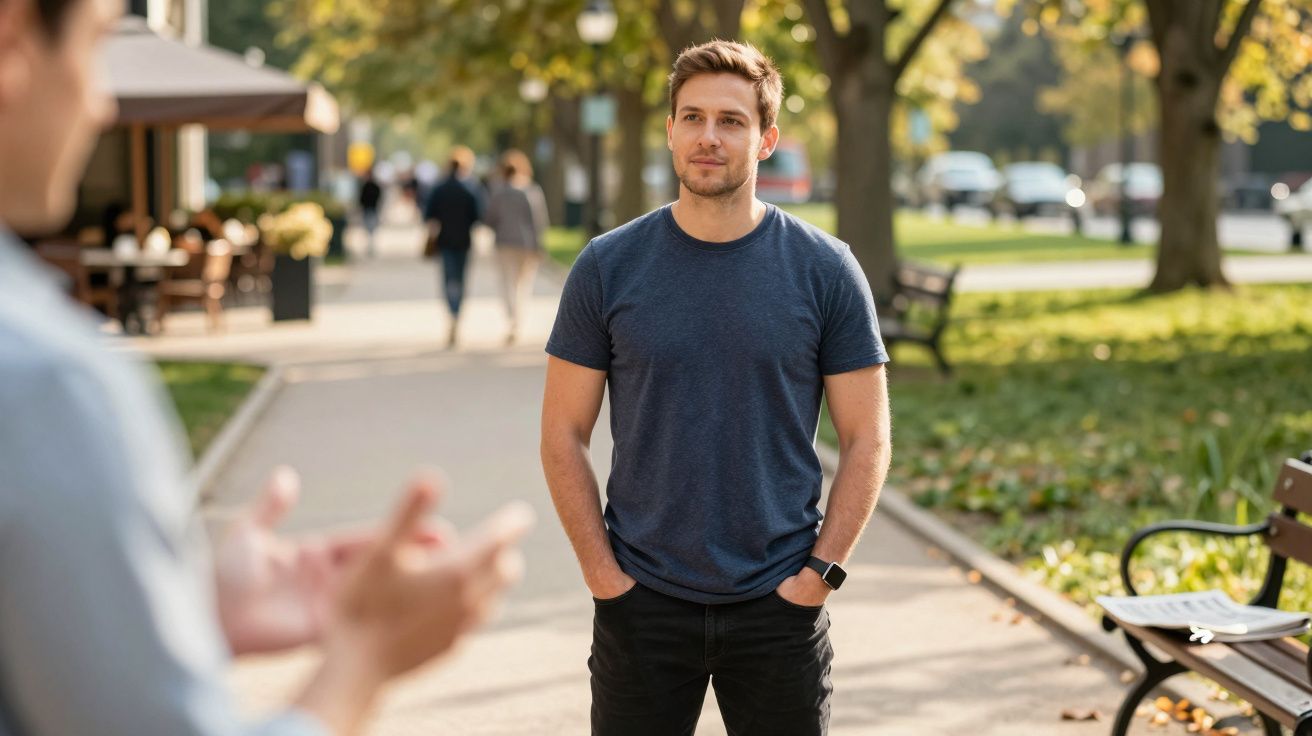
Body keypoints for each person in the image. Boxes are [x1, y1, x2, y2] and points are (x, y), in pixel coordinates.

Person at [0, 2, 533, 734]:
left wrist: (187, 616)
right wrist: (364, 657)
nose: (99, 103)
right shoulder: (47, 383)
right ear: (13, 35)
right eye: (92, 51)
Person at [540, 40, 891, 736]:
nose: (709, 136)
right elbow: (562, 436)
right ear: (669, 131)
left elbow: (868, 438)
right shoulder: (607, 267)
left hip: (780, 605)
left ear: (767, 141)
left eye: (731, 121)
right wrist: (604, 579)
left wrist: (818, 578)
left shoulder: (827, 271)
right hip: (641, 603)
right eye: (692, 117)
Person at [484, 149, 548, 345]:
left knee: (507, 283)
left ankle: (511, 318)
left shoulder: (498, 192)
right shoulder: (532, 190)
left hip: (504, 243)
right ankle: (518, 320)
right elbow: (539, 221)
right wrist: (539, 246)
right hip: (526, 244)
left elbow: (489, 219)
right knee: (523, 284)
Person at [423, 146, 483, 347]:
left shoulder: (439, 187)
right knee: (462, 279)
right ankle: (457, 312)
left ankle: (452, 312)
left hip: (445, 240)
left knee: (449, 279)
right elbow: (478, 215)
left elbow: (428, 214)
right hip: (464, 241)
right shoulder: (471, 188)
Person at [358, 166, 382, 258]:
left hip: (371, 209)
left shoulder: (369, 186)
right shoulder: (368, 186)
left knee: (371, 228)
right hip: (369, 209)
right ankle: (370, 245)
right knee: (369, 228)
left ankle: (370, 245)